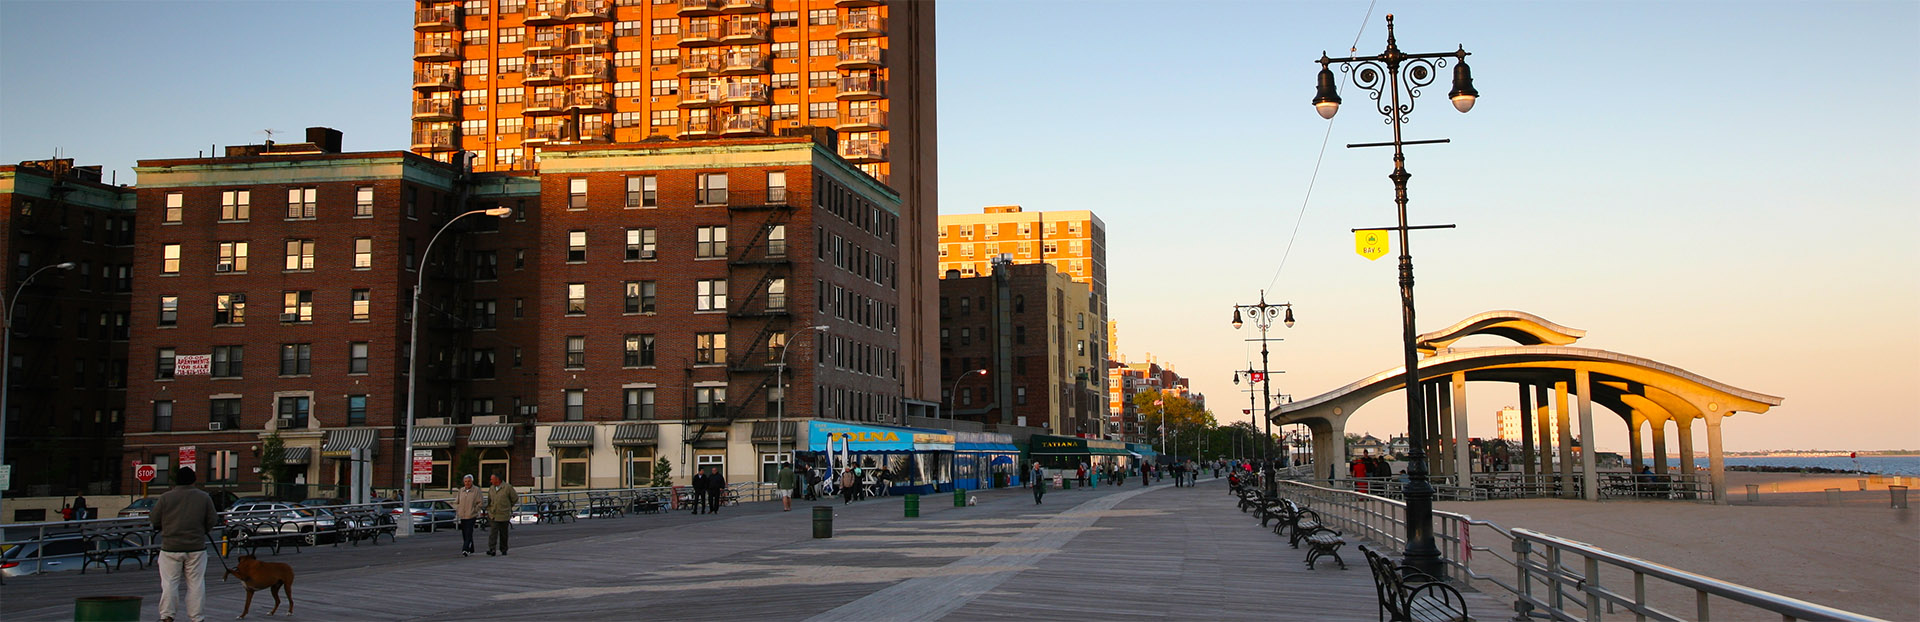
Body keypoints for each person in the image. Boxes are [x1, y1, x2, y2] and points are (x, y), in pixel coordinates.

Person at [152, 466, 218, 622]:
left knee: (169, 583)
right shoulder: (204, 497)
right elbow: (212, 520)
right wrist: (202, 530)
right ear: (194, 480)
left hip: (170, 547)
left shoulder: (165, 498)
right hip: (196, 547)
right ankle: (197, 617)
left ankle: (167, 615)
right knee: (196, 583)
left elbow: (154, 519)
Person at [485, 473, 516, 556]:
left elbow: (515, 498)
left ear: (497, 479)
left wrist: (508, 506)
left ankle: (503, 549)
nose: (490, 481)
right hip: (493, 514)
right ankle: (492, 549)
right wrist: (489, 509)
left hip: (504, 514)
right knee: (493, 533)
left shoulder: (507, 487)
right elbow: (489, 500)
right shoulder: (491, 488)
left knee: (503, 533)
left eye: (492, 479)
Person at [454, 474, 484, 557]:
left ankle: (465, 549)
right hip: (463, 515)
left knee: (469, 532)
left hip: (471, 515)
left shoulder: (476, 490)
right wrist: (458, 509)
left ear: (472, 482)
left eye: (469, 481)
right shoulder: (461, 490)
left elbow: (480, 502)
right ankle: (471, 548)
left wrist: (475, 510)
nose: (467, 483)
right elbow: (456, 502)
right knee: (465, 533)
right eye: (466, 481)